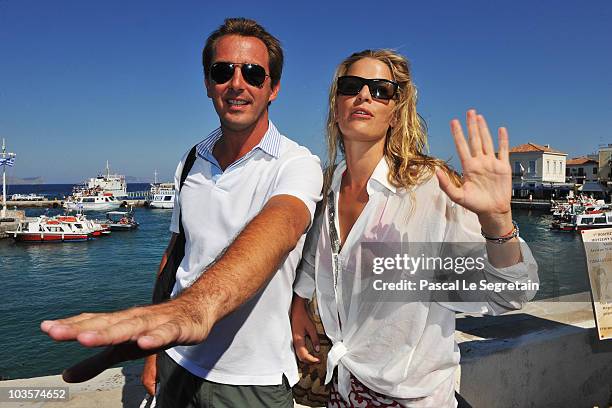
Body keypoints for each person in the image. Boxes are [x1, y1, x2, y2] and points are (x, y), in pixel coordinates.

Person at [41, 18, 323, 408]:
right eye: (223, 71)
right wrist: (157, 351)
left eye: (254, 73)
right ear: (208, 84)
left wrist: (197, 308)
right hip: (178, 362)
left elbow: (283, 225)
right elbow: (175, 258)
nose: (237, 84)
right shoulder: (192, 160)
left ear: (272, 88)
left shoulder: (296, 164)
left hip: (251, 378)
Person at [291, 49, 539, 407]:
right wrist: (299, 302)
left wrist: (497, 219)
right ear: (336, 105)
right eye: (351, 86)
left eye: (380, 90)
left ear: (395, 113)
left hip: (411, 399)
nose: (364, 96)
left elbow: (509, 292)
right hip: (343, 390)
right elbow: (315, 258)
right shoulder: (327, 187)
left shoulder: (429, 190)